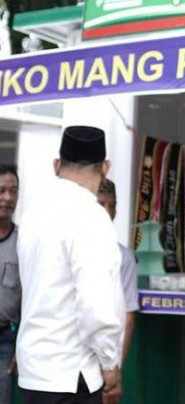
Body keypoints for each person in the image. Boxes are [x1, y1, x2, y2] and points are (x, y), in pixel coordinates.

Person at [17, 126, 125, 404]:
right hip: (70, 373)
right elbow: (97, 305)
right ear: (105, 167)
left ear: (56, 165)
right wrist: (110, 364)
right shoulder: (92, 217)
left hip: (34, 371)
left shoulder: (32, 213)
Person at [97, 178, 139, 366]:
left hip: (105, 355)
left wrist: (116, 367)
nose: (106, 211)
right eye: (100, 204)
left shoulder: (124, 257)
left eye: (111, 205)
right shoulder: (69, 249)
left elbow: (128, 317)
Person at [0, 165, 20, 404]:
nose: (7, 198)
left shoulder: (22, 243)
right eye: (1, 190)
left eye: (13, 191)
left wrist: (19, 348)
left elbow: (31, 298)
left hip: (4, 343)